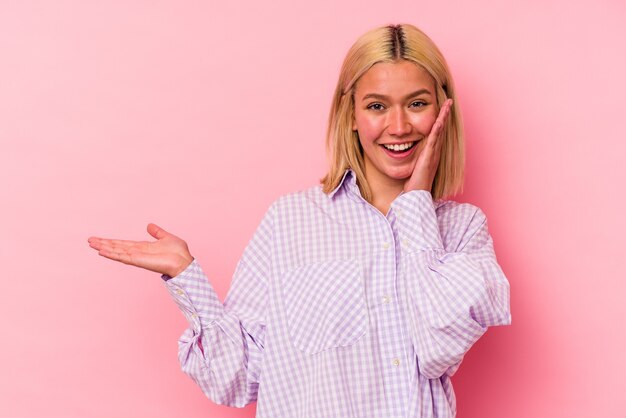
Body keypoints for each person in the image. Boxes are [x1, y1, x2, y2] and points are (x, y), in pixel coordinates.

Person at [88, 23, 511, 418]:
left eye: (417, 104)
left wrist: (416, 201)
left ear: (443, 110)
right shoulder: (290, 221)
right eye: (377, 106)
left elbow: (437, 347)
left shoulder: (463, 231)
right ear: (350, 115)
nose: (398, 126)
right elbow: (236, 379)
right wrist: (186, 277)